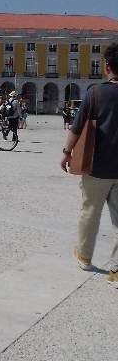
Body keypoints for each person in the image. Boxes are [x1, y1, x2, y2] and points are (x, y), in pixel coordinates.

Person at [61, 42, 118, 287]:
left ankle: (84, 255)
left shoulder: (95, 93)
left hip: (96, 166)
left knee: (89, 212)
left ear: (106, 66)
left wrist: (66, 152)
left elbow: (77, 126)